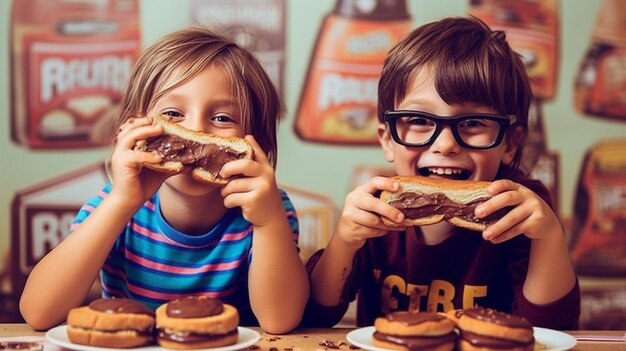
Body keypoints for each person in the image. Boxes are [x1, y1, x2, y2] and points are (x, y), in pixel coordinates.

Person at [20, 27, 309, 334]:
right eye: (172, 113)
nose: (197, 131)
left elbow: (280, 321)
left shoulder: (267, 211)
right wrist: (121, 203)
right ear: (131, 130)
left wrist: (267, 222)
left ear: (258, 144)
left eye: (223, 118)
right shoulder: (113, 205)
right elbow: (38, 313)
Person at [302, 16, 580, 329]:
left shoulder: (521, 213)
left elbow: (552, 331)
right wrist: (344, 241)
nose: (445, 145)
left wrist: (549, 238)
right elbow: (316, 315)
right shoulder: (376, 209)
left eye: (473, 123)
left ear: (510, 143)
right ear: (388, 140)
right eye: (419, 120)